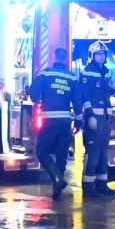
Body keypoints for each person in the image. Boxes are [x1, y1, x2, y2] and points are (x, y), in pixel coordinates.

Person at [29, 48, 78, 199]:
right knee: (61, 155)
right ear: (65, 59)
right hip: (65, 120)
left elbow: (33, 92)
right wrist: (79, 121)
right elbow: (77, 100)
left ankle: (57, 179)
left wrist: (38, 99)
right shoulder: (72, 77)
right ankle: (57, 190)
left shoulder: (46, 74)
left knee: (42, 152)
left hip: (49, 119)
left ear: (54, 57)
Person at [76, 44, 115, 199]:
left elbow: (108, 94)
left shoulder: (105, 72)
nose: (101, 57)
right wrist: (90, 115)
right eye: (98, 54)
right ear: (92, 56)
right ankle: (88, 186)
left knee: (103, 153)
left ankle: (102, 184)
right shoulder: (88, 72)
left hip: (105, 118)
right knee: (92, 153)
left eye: (103, 54)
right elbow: (83, 95)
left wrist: (113, 87)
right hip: (94, 118)